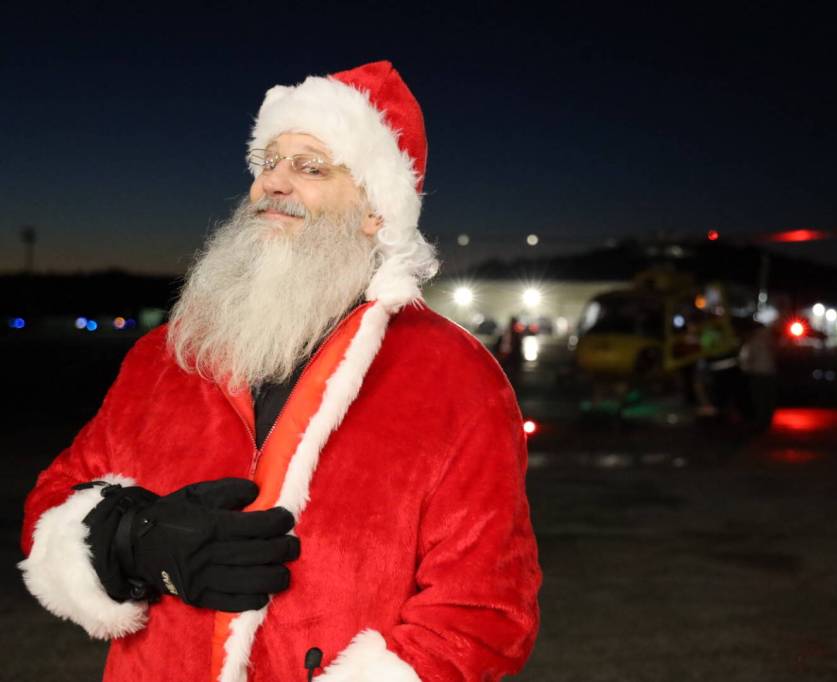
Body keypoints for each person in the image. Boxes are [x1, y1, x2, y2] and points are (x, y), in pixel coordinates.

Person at [18, 61, 541, 682]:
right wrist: (133, 539)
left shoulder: (454, 377)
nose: (273, 184)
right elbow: (53, 500)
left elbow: (483, 610)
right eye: (267, 162)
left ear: (377, 208)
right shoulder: (169, 353)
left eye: (310, 166)